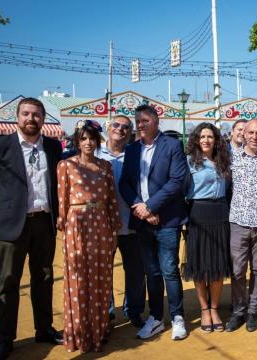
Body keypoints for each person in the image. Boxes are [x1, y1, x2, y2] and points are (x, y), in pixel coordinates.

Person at [0, 98, 63, 360]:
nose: (31, 119)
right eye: (26, 114)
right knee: (8, 283)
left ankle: (44, 329)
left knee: (44, 279)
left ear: (43, 119)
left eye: (36, 114)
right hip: (10, 224)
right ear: (17, 117)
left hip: (44, 223)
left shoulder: (52, 146)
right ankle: (5, 339)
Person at [119, 105, 188, 340]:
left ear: (156, 121)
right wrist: (141, 208)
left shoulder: (172, 145)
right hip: (142, 222)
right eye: (137, 120)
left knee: (169, 270)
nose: (140, 124)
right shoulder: (131, 150)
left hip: (167, 220)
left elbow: (177, 180)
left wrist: (151, 206)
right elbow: (125, 185)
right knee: (152, 272)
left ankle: (178, 317)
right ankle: (156, 317)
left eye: (145, 120)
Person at [57, 120, 121, 352]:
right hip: (77, 224)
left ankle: (100, 329)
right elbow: (62, 200)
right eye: (83, 138)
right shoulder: (66, 165)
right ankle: (79, 334)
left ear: (97, 141)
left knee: (101, 277)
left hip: (101, 224)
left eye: (92, 138)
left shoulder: (105, 167)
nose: (88, 143)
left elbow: (112, 199)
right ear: (77, 141)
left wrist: (114, 226)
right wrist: (64, 226)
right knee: (78, 277)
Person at [96, 115, 147, 329]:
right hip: (103, 225)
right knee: (104, 270)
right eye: (116, 125)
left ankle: (134, 310)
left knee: (135, 271)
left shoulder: (136, 155)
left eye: (126, 127)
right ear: (108, 128)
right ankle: (106, 312)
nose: (121, 129)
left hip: (131, 222)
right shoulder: (95, 153)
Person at [182, 122, 232, 332]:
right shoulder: (188, 163)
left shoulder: (224, 162)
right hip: (198, 215)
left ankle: (214, 308)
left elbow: (229, 190)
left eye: (210, 136)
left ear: (216, 140)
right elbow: (182, 192)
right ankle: (204, 310)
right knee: (201, 266)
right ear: (196, 139)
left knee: (218, 265)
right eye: (202, 136)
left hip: (220, 214)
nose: (206, 140)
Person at [226, 119, 257, 332]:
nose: (255, 137)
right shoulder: (231, 157)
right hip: (238, 220)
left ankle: (253, 312)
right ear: (244, 134)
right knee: (237, 271)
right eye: (251, 132)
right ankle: (238, 311)